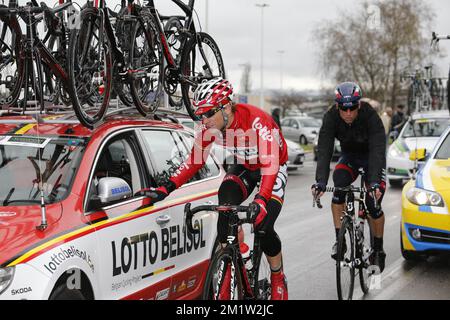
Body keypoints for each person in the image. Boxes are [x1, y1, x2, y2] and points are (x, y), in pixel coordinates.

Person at [145, 77, 289, 300]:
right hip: (245, 165)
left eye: (209, 112)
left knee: (263, 224)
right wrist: (167, 187)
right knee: (225, 204)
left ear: (227, 106)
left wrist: (261, 200)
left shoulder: (256, 121)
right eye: (201, 114)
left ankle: (277, 276)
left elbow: (270, 164)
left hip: (273, 167)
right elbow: (195, 160)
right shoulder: (210, 126)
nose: (205, 119)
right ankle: (231, 265)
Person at [311, 82, 387, 272]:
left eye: (352, 107)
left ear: (358, 104)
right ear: (337, 106)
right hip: (350, 158)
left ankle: (378, 249)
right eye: (344, 108)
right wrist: (320, 181)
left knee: (372, 203)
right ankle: (341, 239)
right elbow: (325, 149)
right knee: (339, 184)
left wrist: (376, 182)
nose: (348, 113)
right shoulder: (330, 117)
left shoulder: (370, 115)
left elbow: (378, 149)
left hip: (371, 159)